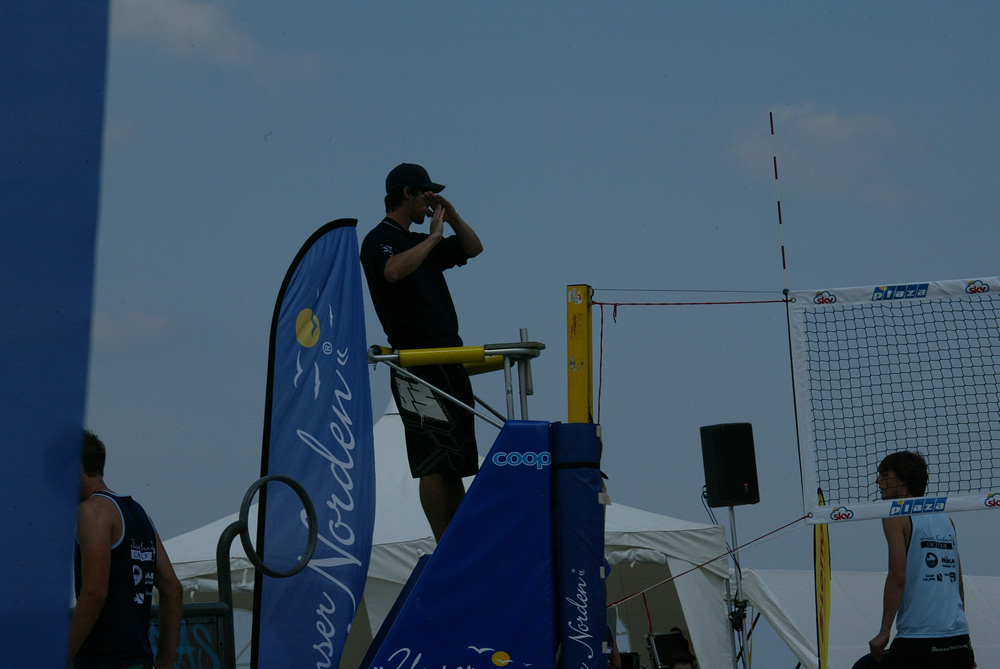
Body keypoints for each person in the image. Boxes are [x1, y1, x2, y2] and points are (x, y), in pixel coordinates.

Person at [360, 163, 483, 542]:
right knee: (433, 460)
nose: (430, 203)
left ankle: (461, 545)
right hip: (416, 360)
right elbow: (392, 271)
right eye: (426, 195)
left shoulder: (418, 241)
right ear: (407, 193)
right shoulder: (380, 238)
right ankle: (445, 546)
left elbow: (473, 248)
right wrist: (433, 238)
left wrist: (452, 216)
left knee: (456, 463)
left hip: (448, 355)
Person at [67, 430, 183, 669]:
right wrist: (164, 663)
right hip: (140, 661)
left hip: (104, 661)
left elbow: (94, 593)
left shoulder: (92, 511)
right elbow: (173, 589)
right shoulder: (139, 513)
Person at [868, 450, 976, 668]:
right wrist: (966, 644)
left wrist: (884, 631)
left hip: (919, 640)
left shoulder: (895, 514)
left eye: (884, 475)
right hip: (958, 640)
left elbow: (898, 577)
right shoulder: (946, 518)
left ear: (903, 480)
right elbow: (957, 583)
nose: (878, 481)